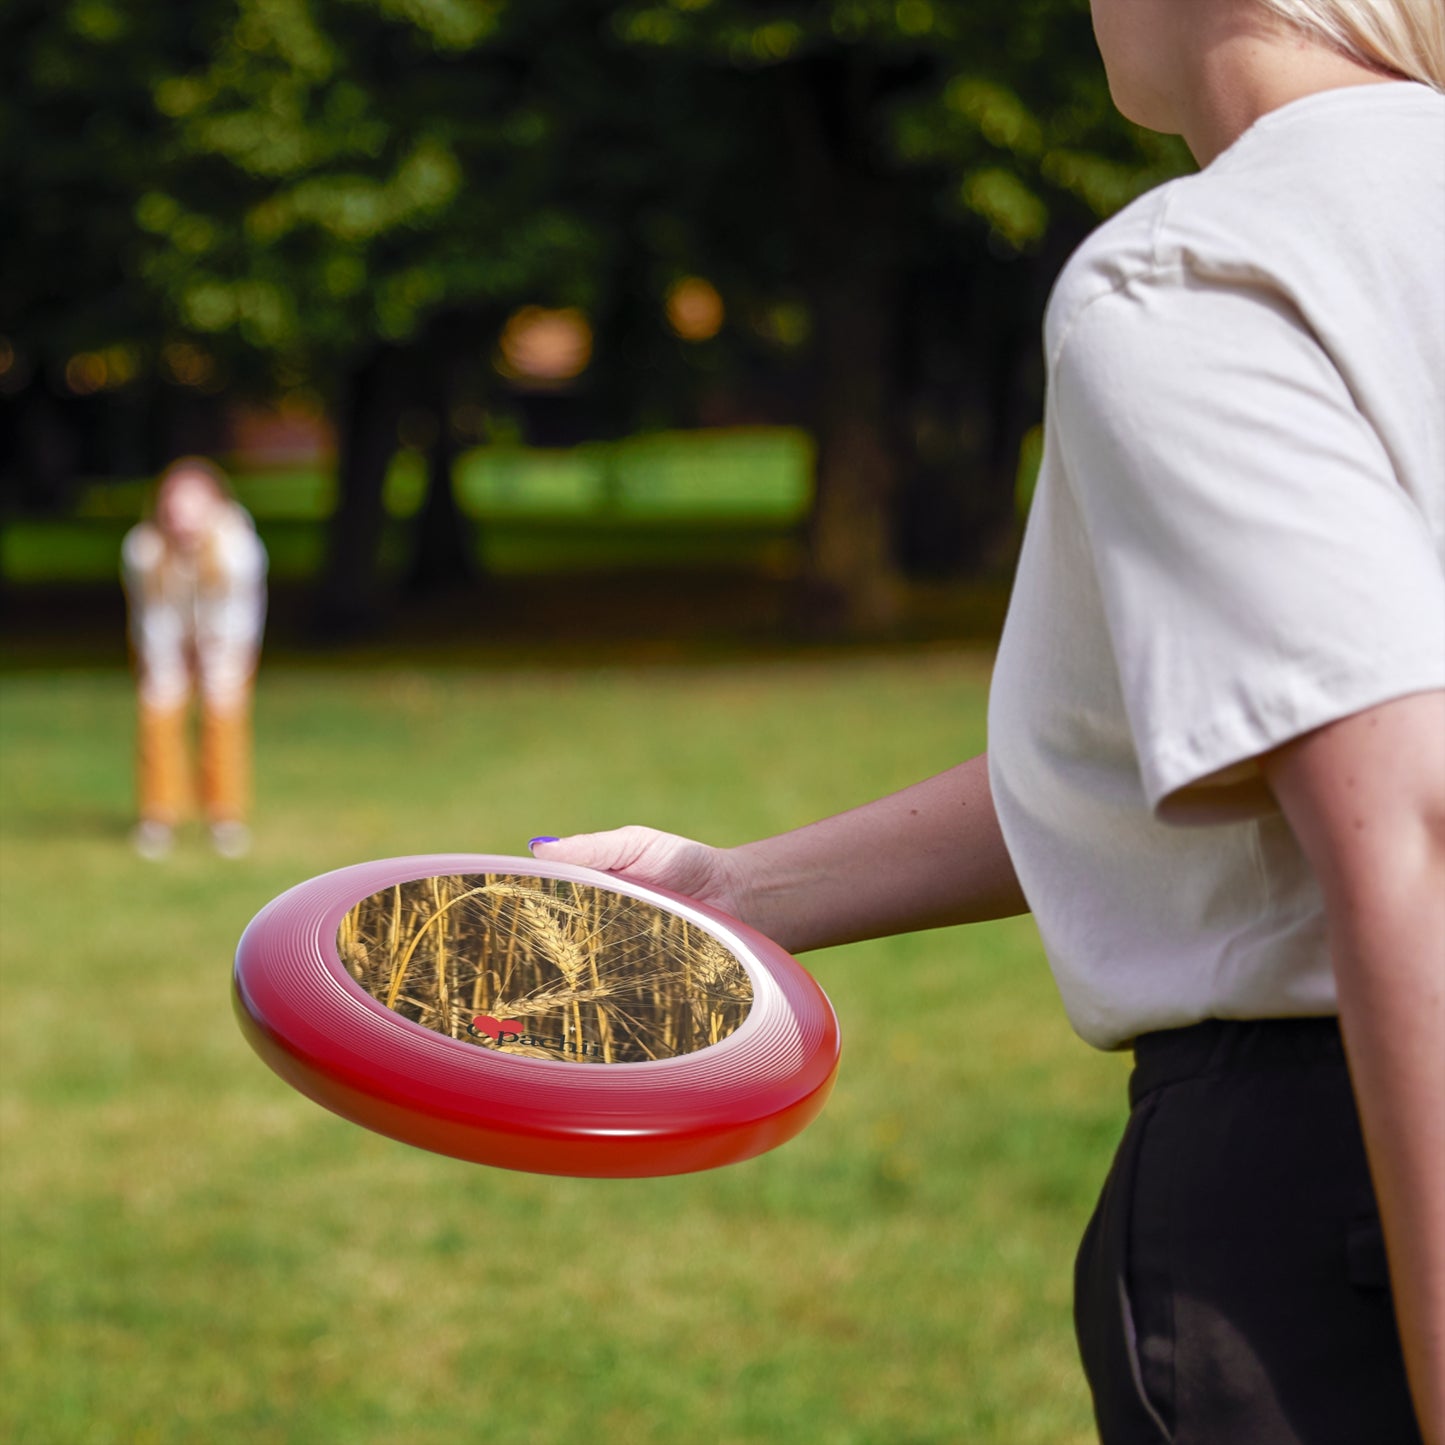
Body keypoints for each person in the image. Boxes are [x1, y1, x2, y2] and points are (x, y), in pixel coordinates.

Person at [528, 2, 1445, 1440]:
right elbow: (1218, 741)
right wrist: (738, 889)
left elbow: (1409, 822)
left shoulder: (1203, 270)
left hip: (1341, 1194)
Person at [121, 457, 268, 860]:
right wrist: (168, 664)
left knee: (223, 717)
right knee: (158, 713)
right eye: (175, 506)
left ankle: (225, 818)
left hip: (226, 641)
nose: (182, 517)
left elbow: (239, 616)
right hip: (165, 640)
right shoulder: (143, 549)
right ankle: (158, 816)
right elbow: (152, 615)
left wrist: (215, 659)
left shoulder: (239, 549)